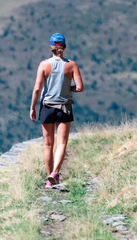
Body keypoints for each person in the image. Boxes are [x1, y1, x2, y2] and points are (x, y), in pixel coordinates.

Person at [30, 33, 84, 188]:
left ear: (50, 47)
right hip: (64, 108)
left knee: (48, 144)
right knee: (61, 143)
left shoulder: (44, 65)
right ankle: (55, 173)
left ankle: (49, 180)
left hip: (46, 107)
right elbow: (80, 88)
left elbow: (37, 89)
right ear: (64, 47)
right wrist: (67, 88)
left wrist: (32, 107)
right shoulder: (71, 65)